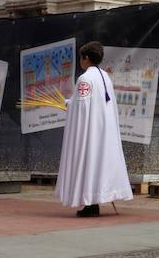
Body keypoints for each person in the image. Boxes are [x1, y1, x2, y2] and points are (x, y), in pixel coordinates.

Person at [54, 41, 133, 217]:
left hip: (91, 132)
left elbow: (82, 107)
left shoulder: (85, 79)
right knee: (98, 164)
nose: (80, 62)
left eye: (81, 58)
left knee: (89, 163)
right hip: (103, 130)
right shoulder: (105, 76)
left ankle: (90, 203)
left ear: (86, 58)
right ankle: (93, 202)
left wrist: (66, 104)